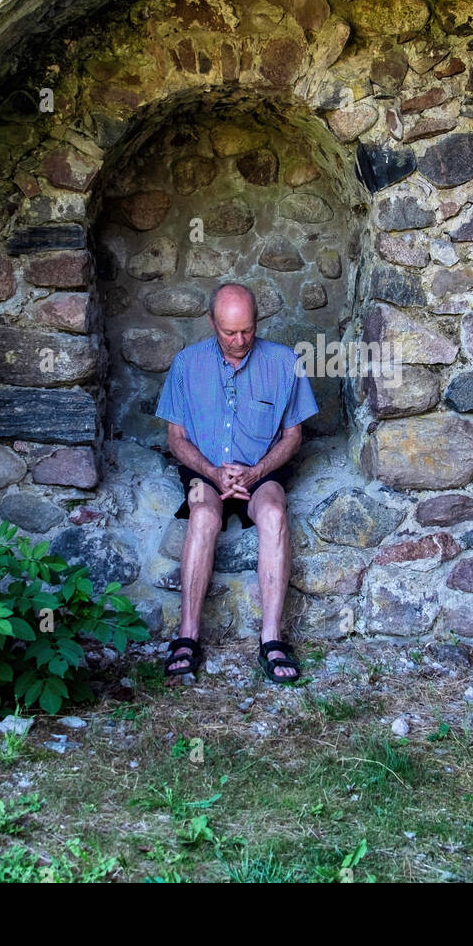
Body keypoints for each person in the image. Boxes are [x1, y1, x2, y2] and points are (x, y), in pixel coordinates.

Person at [154, 282, 318, 683]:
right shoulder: (186, 363)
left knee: (275, 513)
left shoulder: (283, 362)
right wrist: (212, 473)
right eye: (229, 332)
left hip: (262, 467)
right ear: (211, 322)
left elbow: (293, 437)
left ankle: (271, 639)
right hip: (203, 470)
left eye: (247, 330)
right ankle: (188, 635)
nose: (240, 340)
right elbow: (176, 438)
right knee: (203, 514)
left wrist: (257, 471)